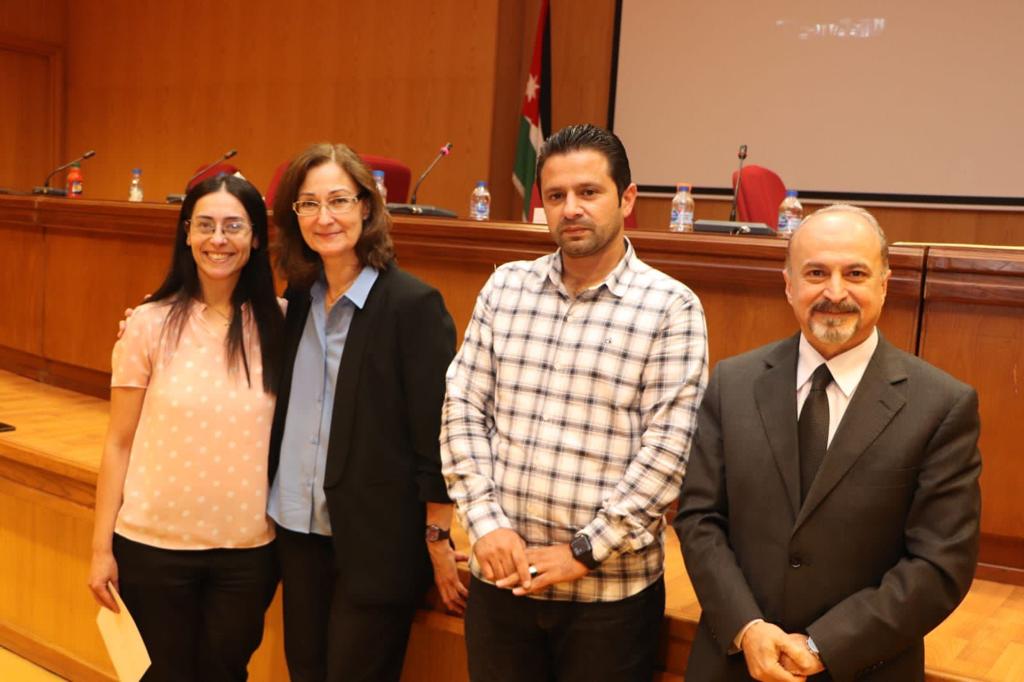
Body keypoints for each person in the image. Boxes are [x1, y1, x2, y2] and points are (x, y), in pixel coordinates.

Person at [441, 123, 709, 681]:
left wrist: (583, 551)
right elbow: (463, 408)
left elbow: (669, 452)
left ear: (626, 199)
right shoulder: (505, 288)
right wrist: (486, 525)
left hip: (608, 599)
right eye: (556, 195)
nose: (571, 209)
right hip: (502, 583)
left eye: (589, 192)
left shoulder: (670, 307)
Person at [674, 204, 982, 682]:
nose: (835, 292)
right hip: (733, 662)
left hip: (864, 668)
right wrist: (747, 627)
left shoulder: (942, 405)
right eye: (816, 273)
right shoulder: (733, 382)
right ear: (788, 284)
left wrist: (824, 645)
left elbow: (940, 564)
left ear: (884, 284)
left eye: (855, 273)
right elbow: (699, 519)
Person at [268, 142, 463, 682]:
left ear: (367, 206)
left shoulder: (413, 306)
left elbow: (435, 437)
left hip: (376, 543)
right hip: (298, 531)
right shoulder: (300, 295)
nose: (324, 217)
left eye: (339, 200)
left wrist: (437, 539)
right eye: (309, 204)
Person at [88, 175, 285, 681]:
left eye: (234, 226)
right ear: (187, 234)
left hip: (246, 552)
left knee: (226, 673)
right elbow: (118, 442)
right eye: (205, 225)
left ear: (256, 238)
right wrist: (101, 549)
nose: (218, 239)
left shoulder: (284, 325)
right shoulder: (148, 323)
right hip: (152, 546)